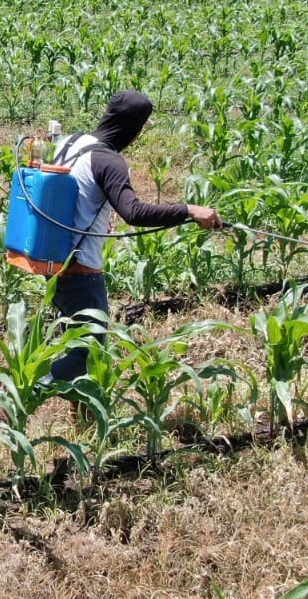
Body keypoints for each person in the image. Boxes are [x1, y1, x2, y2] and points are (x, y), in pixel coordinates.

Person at [47, 89, 221, 382]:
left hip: (53, 259)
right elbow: (134, 213)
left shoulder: (72, 141)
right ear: (135, 130)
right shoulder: (108, 161)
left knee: (74, 342)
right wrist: (189, 210)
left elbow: (75, 193)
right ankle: (27, 393)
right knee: (87, 355)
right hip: (81, 272)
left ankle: (80, 415)